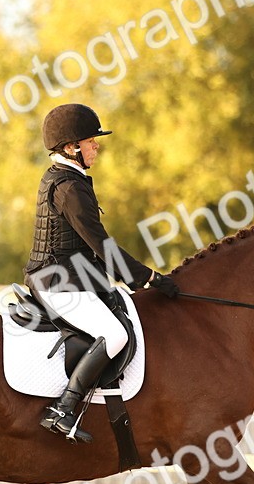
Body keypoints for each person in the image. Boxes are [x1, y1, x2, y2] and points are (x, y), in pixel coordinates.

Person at [24, 103, 178, 443]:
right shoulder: (68, 187)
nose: (97, 146)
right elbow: (101, 245)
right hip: (59, 283)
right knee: (116, 334)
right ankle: (64, 408)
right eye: (91, 141)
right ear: (71, 147)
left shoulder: (70, 180)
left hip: (71, 279)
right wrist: (147, 278)